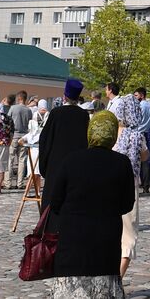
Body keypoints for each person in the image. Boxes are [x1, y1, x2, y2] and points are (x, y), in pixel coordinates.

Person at [46, 109, 137, 299]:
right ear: (112, 135)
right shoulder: (121, 163)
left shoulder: (71, 160)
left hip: (72, 244)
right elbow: (127, 204)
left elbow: (54, 202)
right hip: (106, 245)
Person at [108, 91, 146, 277]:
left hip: (108, 186)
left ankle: (106, 274)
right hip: (129, 186)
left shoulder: (111, 133)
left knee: (109, 232)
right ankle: (118, 277)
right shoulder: (137, 136)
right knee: (129, 235)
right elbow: (145, 156)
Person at [39, 79, 89, 218]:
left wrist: (44, 165)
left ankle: (50, 231)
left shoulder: (56, 113)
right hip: (76, 164)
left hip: (56, 164)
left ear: (64, 96)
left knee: (53, 198)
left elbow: (45, 139)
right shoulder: (83, 115)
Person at [7, 91, 33, 191]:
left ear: (19, 98)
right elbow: (30, 124)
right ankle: (20, 183)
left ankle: (8, 183)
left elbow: (8, 120)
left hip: (13, 135)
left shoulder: (13, 108)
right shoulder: (28, 110)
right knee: (22, 160)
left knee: (11, 159)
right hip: (24, 137)